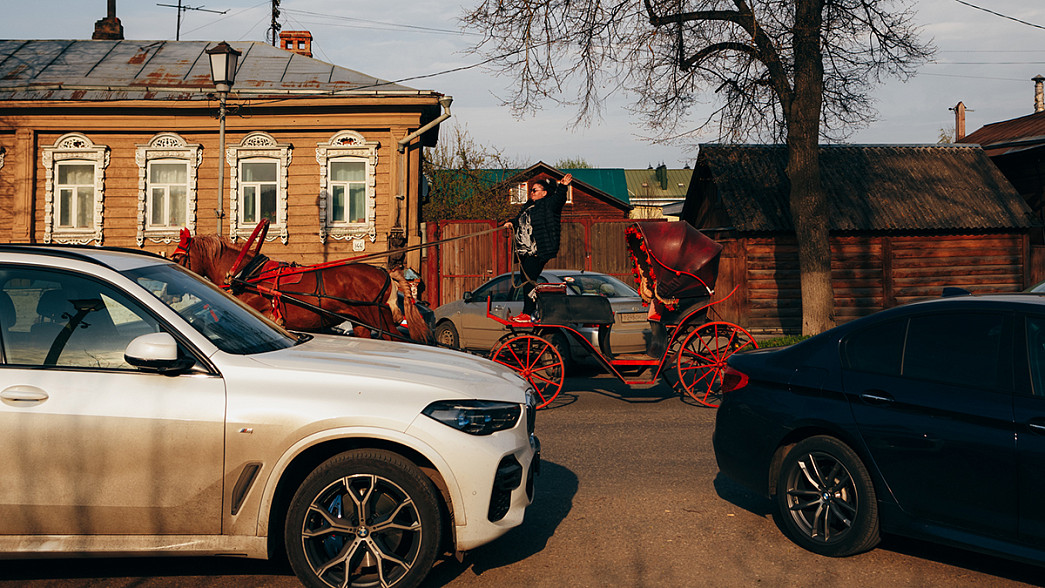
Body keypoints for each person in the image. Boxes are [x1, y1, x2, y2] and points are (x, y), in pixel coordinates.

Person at [503, 173, 573, 324]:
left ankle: (528, 314)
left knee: (529, 281)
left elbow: (559, 199)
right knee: (525, 280)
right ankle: (532, 311)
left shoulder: (548, 204)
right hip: (524, 251)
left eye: (534, 190)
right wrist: (510, 222)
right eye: (531, 190)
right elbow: (519, 220)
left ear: (544, 193)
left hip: (537, 251)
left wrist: (562, 186)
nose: (531, 193)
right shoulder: (528, 206)